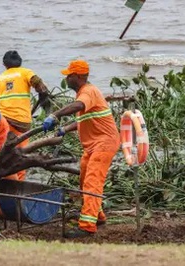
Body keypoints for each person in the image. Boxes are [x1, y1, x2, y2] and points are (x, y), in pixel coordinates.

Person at [42, 60, 120, 238]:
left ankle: (87, 226)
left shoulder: (88, 92)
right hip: (93, 146)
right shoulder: (84, 94)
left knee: (92, 183)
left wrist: (55, 115)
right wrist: (64, 129)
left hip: (104, 144)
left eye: (68, 75)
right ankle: (97, 216)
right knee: (85, 180)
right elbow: (83, 120)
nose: (66, 79)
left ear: (77, 77)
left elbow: (78, 106)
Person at [0, 50, 49, 180]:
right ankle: (19, 182)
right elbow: (39, 84)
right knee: (21, 154)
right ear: (20, 63)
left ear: (4, 64)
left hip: (3, 119)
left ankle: (2, 181)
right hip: (22, 122)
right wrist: (44, 97)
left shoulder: (0, 78)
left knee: (4, 152)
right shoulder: (25, 72)